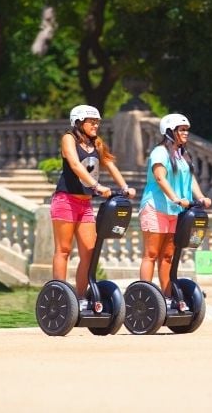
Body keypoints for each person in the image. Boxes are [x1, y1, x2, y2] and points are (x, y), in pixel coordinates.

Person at [50, 104, 135, 311]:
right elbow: (75, 165)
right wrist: (96, 186)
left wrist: (124, 187)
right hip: (66, 200)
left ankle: (80, 299)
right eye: (92, 122)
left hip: (84, 204)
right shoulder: (68, 138)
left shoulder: (96, 143)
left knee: (89, 252)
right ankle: (60, 296)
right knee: (64, 250)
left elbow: (110, 164)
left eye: (97, 122)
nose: (96, 125)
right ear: (79, 122)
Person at [138, 113, 212, 311]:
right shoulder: (159, 152)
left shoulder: (182, 154)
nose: (186, 133)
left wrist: (201, 197)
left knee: (168, 255)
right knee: (151, 254)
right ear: (170, 132)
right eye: (182, 130)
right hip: (156, 207)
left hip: (176, 212)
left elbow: (190, 179)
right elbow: (160, 178)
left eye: (186, 130)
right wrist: (175, 198)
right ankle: (144, 296)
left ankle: (167, 296)